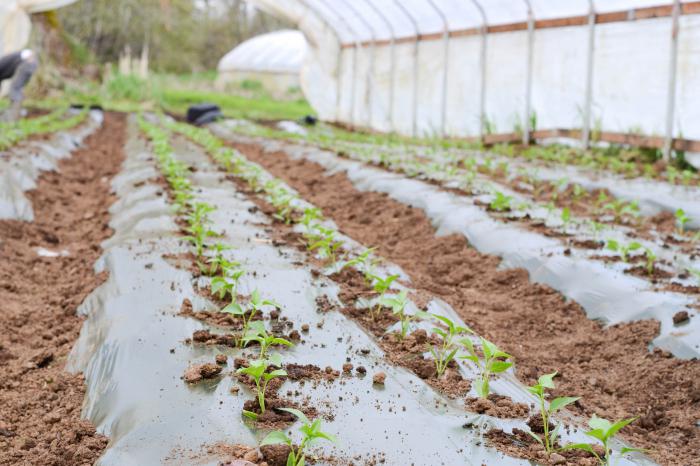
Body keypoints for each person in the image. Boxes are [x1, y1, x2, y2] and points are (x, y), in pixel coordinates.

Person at [0, 49, 38, 121]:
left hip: (26, 62)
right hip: (31, 62)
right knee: (17, 88)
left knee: (14, 88)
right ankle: (15, 113)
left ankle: (13, 117)